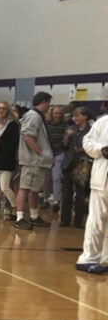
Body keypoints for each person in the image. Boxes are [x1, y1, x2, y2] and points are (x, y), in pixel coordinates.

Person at [14, 92, 54, 230]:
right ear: (43, 102)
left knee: (35, 189)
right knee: (24, 188)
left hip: (38, 161)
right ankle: (19, 217)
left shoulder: (37, 116)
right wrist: (38, 151)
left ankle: (34, 215)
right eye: (48, 103)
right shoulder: (33, 116)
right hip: (33, 161)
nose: (49, 106)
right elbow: (27, 136)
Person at [75, 109, 108, 273]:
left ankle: (105, 259)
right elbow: (87, 142)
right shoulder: (103, 122)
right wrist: (101, 149)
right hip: (101, 179)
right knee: (96, 220)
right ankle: (89, 258)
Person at [61, 106, 92, 229]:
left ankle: (78, 221)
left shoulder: (91, 130)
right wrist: (67, 137)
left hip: (82, 164)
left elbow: (92, 146)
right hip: (69, 163)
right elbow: (63, 146)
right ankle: (64, 219)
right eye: (74, 116)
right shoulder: (70, 129)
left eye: (77, 115)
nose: (75, 118)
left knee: (80, 193)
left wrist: (82, 149)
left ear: (85, 117)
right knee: (67, 193)